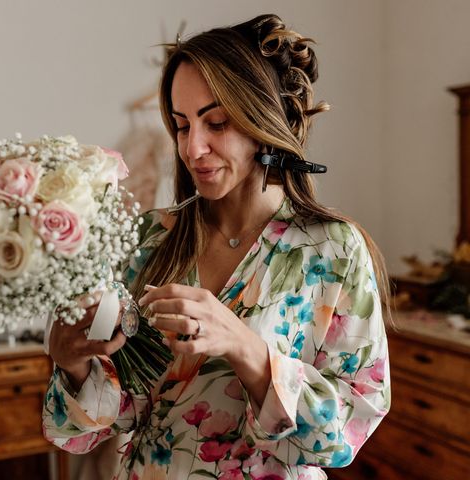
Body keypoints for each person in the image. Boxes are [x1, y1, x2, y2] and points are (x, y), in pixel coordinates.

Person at [43, 13, 390, 480]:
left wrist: (245, 347)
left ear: (260, 120)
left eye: (217, 122)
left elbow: (352, 423)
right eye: (183, 125)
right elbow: (108, 418)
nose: (192, 148)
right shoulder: (149, 239)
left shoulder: (333, 250)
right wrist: (73, 363)